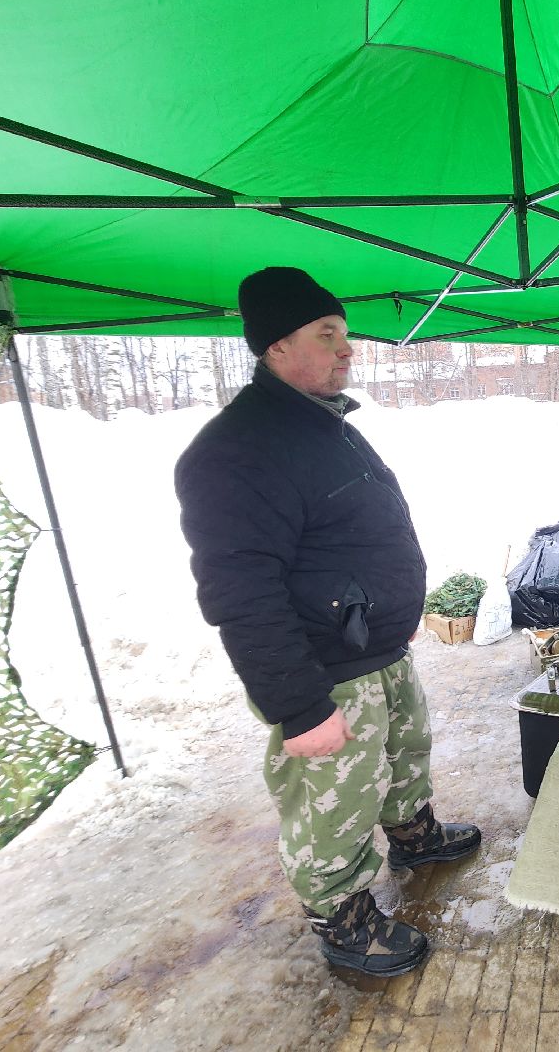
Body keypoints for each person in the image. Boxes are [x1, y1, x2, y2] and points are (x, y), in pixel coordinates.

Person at [175, 266, 480, 979]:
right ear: (276, 346)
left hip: (375, 650)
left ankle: (413, 833)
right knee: (335, 803)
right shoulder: (238, 449)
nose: (348, 349)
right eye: (327, 334)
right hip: (323, 671)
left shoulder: (323, 424)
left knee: (404, 755)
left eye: (345, 333)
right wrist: (300, 708)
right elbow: (240, 591)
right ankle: (342, 916)